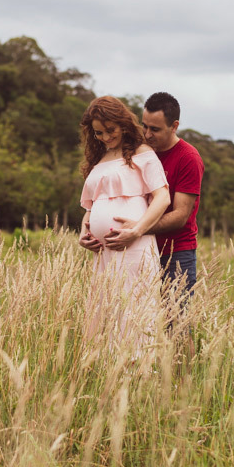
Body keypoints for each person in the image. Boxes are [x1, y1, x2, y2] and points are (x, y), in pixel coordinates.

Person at [77, 96, 170, 343]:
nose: (106, 137)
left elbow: (163, 198)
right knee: (105, 312)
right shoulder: (98, 161)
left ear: (123, 123)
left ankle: (137, 375)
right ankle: (108, 377)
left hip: (133, 247)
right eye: (98, 133)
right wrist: (82, 235)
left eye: (110, 130)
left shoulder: (142, 152)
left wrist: (137, 230)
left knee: (133, 312)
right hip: (102, 253)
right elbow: (90, 206)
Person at [102, 92, 204, 308]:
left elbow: (180, 216)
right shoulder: (140, 151)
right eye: (145, 126)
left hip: (175, 254)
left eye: (155, 129)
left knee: (176, 326)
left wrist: (139, 228)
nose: (147, 134)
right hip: (137, 249)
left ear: (174, 126)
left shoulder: (188, 158)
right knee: (138, 323)